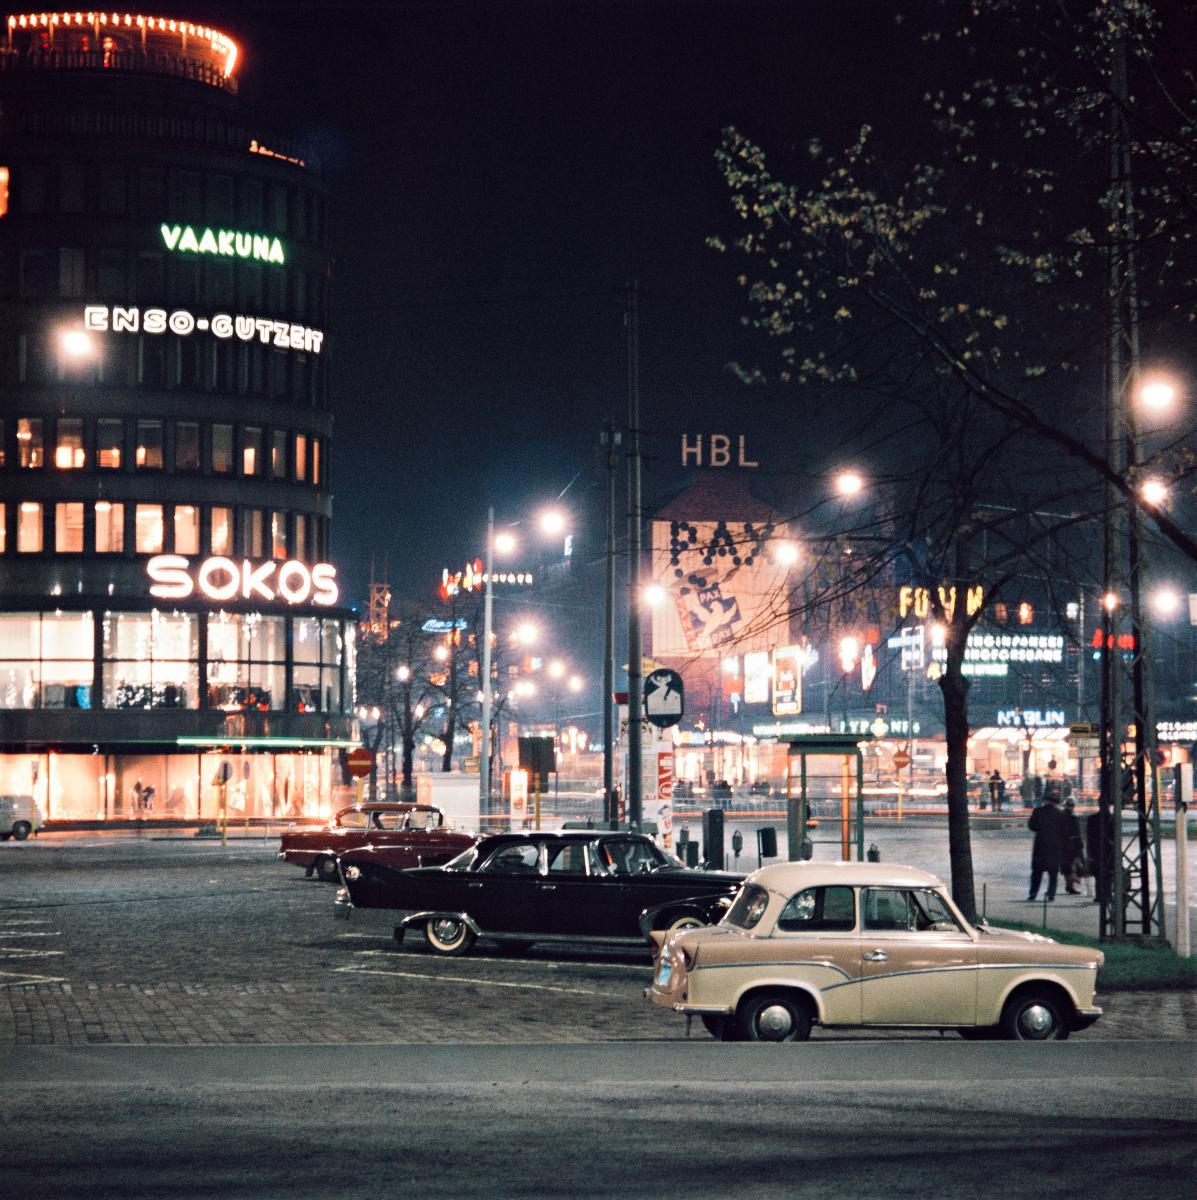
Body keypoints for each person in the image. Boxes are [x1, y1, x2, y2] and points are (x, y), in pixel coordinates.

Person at [1026, 792, 1067, 901]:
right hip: (1054, 847)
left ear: (1046, 800)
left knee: (1036, 873)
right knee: (1053, 873)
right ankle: (1051, 893)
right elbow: (1064, 832)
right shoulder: (1061, 814)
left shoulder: (1038, 812)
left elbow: (1031, 826)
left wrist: (1041, 830)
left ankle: (1033, 894)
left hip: (1040, 846)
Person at [1061, 798, 1085, 894]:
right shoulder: (1074, 818)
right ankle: (1073, 884)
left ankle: (1069, 885)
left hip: (1063, 845)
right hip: (1073, 844)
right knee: (1075, 865)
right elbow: (1077, 833)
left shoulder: (1060, 816)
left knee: (1066, 866)